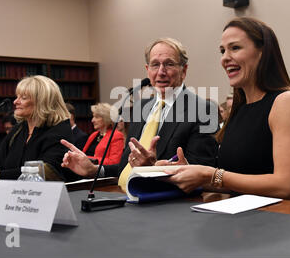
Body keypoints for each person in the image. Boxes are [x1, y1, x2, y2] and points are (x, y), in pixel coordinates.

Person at [158, 17, 290, 200]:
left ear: (262, 52)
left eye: (235, 48)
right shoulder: (240, 108)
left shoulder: (286, 102)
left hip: (278, 219)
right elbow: (234, 183)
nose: (225, 58)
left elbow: (285, 187)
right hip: (240, 218)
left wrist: (211, 174)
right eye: (223, 51)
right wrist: (190, 173)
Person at [61, 37, 219, 190]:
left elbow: (202, 175)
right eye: (155, 65)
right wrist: (95, 170)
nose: (161, 72)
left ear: (183, 70)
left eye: (169, 64)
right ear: (147, 70)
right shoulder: (139, 108)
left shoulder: (203, 110)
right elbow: (127, 167)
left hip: (163, 204)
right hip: (122, 197)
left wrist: (152, 170)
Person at [0, 75, 78, 184]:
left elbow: (44, 172)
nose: (15, 102)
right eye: (17, 96)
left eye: (23, 98)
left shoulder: (59, 131)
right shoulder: (19, 129)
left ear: (41, 101)